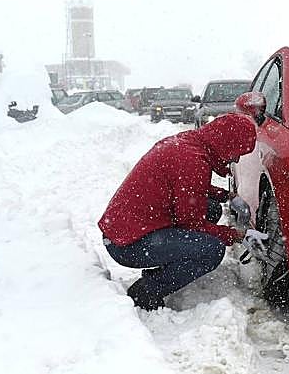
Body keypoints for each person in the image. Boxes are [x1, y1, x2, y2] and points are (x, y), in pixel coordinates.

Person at [98, 113, 257, 310]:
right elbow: (191, 223)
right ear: (226, 144)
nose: (236, 159)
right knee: (212, 250)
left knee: (212, 209)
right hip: (128, 244)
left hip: (126, 229)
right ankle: (146, 292)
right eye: (237, 152)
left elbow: (188, 186)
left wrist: (227, 196)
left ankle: (168, 266)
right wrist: (235, 235)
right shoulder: (192, 160)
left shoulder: (189, 145)